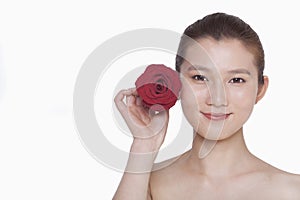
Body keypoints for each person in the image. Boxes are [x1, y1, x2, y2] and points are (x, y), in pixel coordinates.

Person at [113, 12, 300, 199]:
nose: (217, 99)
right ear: (176, 85)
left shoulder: (292, 190)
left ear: (260, 89)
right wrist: (144, 145)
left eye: (236, 80)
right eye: (199, 78)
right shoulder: (146, 183)